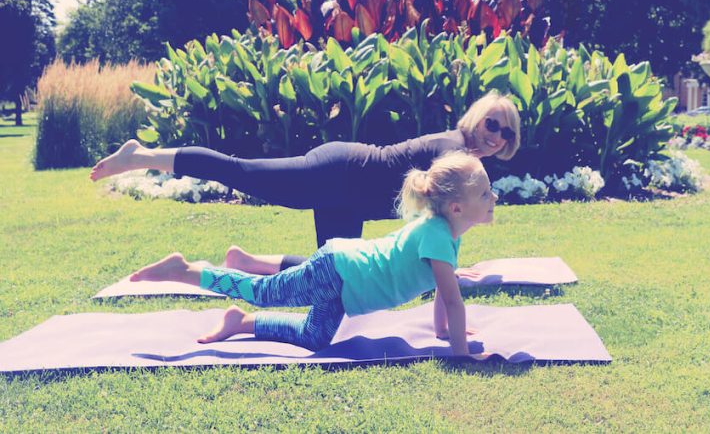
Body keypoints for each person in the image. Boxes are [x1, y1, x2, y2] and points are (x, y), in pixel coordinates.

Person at [91, 91, 520, 271]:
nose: (494, 134)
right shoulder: (454, 149)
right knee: (241, 171)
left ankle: (245, 263)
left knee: (334, 274)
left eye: (504, 132)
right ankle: (140, 155)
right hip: (337, 172)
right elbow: (443, 218)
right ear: (477, 116)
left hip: (349, 199)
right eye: (492, 123)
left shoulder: (464, 155)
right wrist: (451, 272)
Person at [129, 151, 495, 358]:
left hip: (346, 285)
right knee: (263, 291)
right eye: (484, 195)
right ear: (457, 207)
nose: (492, 199)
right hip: (337, 271)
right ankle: (187, 270)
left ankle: (240, 322)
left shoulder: (446, 232)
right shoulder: (435, 234)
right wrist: (462, 355)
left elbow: (441, 292)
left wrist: (444, 332)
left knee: (314, 338)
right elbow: (452, 299)